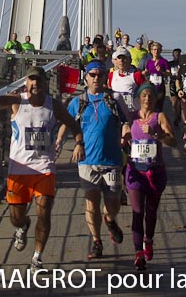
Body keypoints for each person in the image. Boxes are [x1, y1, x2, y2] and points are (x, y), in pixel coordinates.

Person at [0, 64, 84, 274]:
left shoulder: (54, 106)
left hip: (44, 168)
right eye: (31, 80)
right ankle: (22, 226)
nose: (35, 84)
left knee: (44, 212)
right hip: (19, 169)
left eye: (39, 80)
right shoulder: (16, 101)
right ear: (26, 83)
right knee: (16, 216)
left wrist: (79, 142)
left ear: (44, 83)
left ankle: (36, 259)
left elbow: (73, 124)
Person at [57, 59, 125, 260]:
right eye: (92, 75)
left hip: (112, 159)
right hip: (87, 161)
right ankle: (97, 241)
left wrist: (127, 131)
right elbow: (67, 121)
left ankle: (110, 220)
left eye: (100, 75)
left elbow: (127, 120)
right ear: (85, 77)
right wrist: (60, 140)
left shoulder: (114, 99)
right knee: (91, 203)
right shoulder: (78, 102)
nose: (96, 78)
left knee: (112, 203)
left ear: (105, 77)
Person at [122, 83, 176, 270]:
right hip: (136, 172)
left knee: (151, 212)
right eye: (144, 96)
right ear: (139, 98)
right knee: (137, 212)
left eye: (150, 96)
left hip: (155, 172)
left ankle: (148, 239)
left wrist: (158, 135)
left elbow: (173, 140)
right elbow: (124, 134)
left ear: (155, 99)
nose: (147, 99)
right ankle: (138, 253)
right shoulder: (132, 117)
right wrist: (124, 138)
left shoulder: (159, 117)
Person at [107, 46, 145, 119]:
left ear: (130, 60)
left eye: (124, 58)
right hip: (116, 114)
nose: (121, 61)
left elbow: (147, 92)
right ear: (116, 60)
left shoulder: (136, 75)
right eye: (119, 58)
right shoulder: (112, 75)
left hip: (133, 113)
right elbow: (109, 91)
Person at [144, 42, 170, 111]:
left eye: (158, 49)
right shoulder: (149, 62)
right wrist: (144, 73)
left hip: (160, 88)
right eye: (154, 49)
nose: (156, 51)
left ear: (161, 51)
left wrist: (161, 71)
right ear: (151, 51)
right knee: (151, 106)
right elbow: (146, 71)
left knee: (159, 107)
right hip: (151, 88)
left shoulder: (164, 61)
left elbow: (168, 73)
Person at [168, 48, 182, 126]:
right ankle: (175, 117)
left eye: (178, 54)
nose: (177, 55)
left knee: (180, 102)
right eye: (175, 54)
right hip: (173, 83)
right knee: (174, 102)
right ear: (173, 55)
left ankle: (179, 116)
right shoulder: (170, 63)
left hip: (180, 83)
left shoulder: (183, 63)